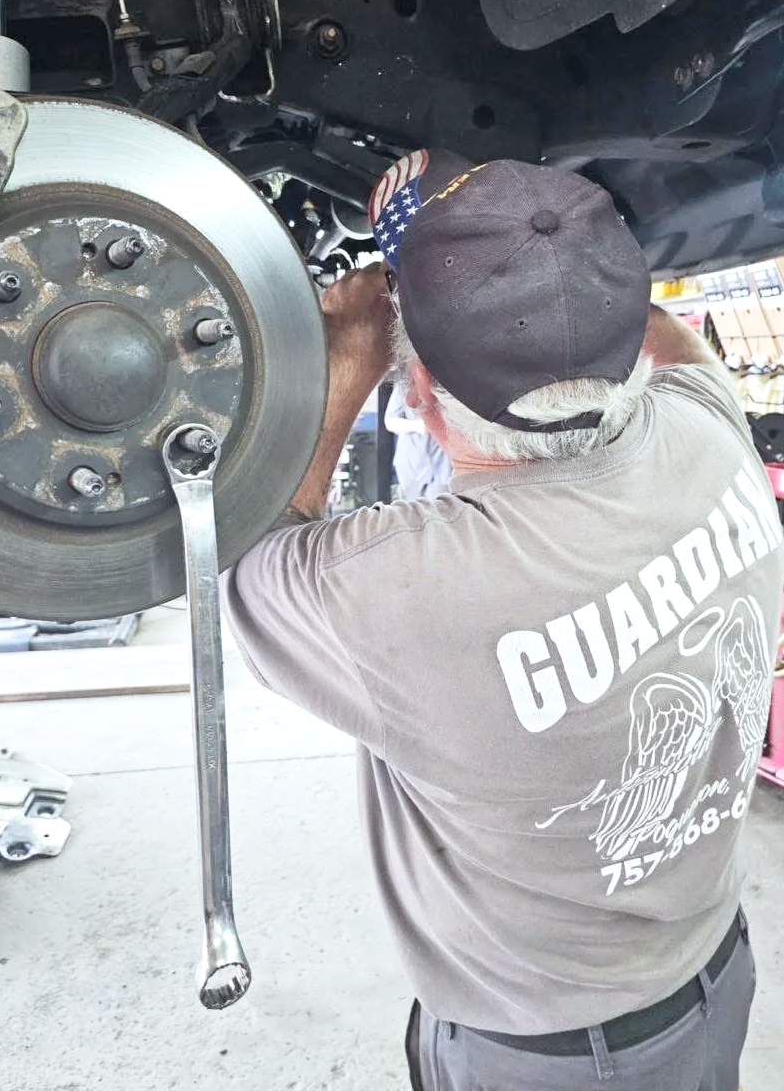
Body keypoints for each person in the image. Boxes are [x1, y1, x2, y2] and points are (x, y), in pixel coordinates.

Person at [222, 151, 784, 1091]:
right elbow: (666, 342)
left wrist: (349, 350)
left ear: (420, 402)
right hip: (711, 975)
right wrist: (528, 233)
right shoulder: (708, 432)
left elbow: (247, 549)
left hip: (561, 1057)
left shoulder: (404, 589)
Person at [384, 381, 451, 499]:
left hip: (442, 465)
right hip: (411, 465)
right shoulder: (404, 385)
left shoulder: (452, 383)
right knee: (412, 512)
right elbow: (390, 422)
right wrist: (418, 425)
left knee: (439, 511)